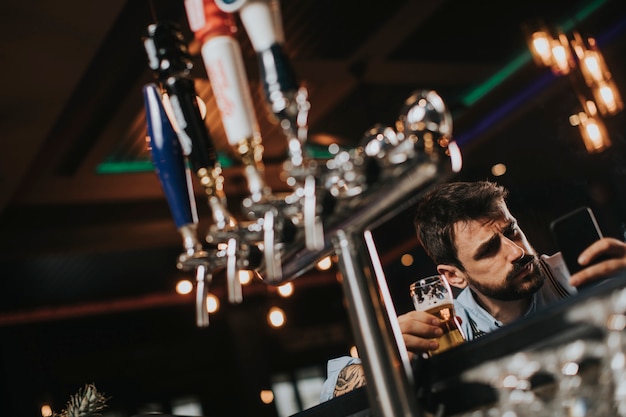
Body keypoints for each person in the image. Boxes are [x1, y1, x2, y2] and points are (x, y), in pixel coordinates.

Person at [320, 180, 626, 402]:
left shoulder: (576, 273)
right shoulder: (447, 329)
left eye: (511, 232)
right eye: (489, 249)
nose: (516, 252)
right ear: (454, 276)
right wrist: (386, 357)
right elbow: (330, 393)